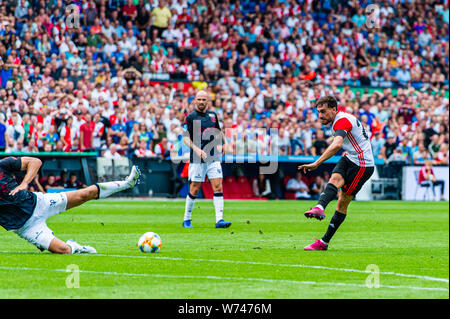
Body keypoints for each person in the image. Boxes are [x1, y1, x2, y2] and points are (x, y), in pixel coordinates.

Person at [0, 156, 141, 254]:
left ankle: (128, 183)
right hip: (26, 228)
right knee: (64, 250)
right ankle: (75, 246)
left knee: (86, 194)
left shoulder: (3, 165)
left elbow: (35, 162)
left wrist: (25, 183)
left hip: (40, 203)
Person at [299, 96, 375, 251]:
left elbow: (337, 144)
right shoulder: (339, 120)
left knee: (343, 201)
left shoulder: (341, 121)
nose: (320, 116)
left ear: (334, 109)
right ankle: (320, 207)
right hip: (350, 157)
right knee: (334, 179)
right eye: (318, 112)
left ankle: (324, 242)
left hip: (362, 165)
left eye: (323, 111)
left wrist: (316, 163)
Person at [182, 90, 231, 228]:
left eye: (204, 99)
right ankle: (187, 219)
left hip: (213, 156)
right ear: (195, 101)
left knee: (218, 186)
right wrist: (196, 149)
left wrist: (225, 142)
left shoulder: (213, 116)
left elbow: (219, 131)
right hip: (197, 159)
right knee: (195, 189)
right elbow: (185, 138)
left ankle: (219, 220)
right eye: (199, 99)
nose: (202, 102)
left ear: (208, 101)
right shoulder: (190, 117)